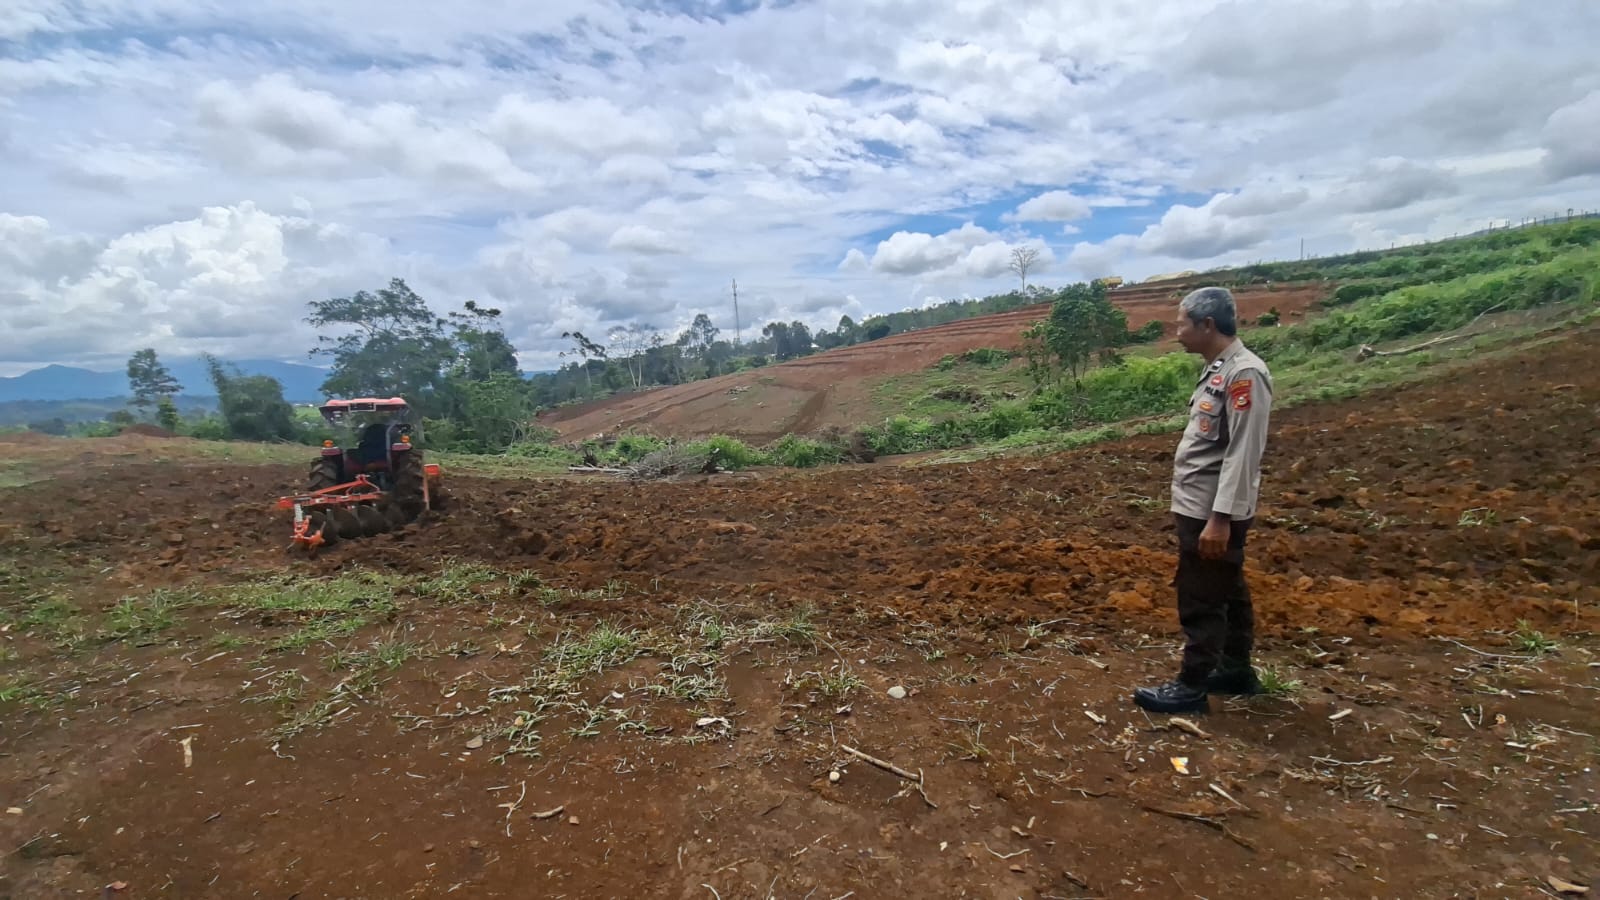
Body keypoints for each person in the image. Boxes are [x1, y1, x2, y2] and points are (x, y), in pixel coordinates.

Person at [1133, 287, 1274, 714]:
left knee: (1201, 596)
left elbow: (1242, 454)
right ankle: (1235, 670)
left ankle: (1191, 687)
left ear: (1207, 325)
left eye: (1182, 324)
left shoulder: (1245, 374)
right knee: (1227, 589)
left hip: (1212, 511)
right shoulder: (1220, 369)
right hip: (1200, 505)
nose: (1177, 333)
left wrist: (1220, 520)